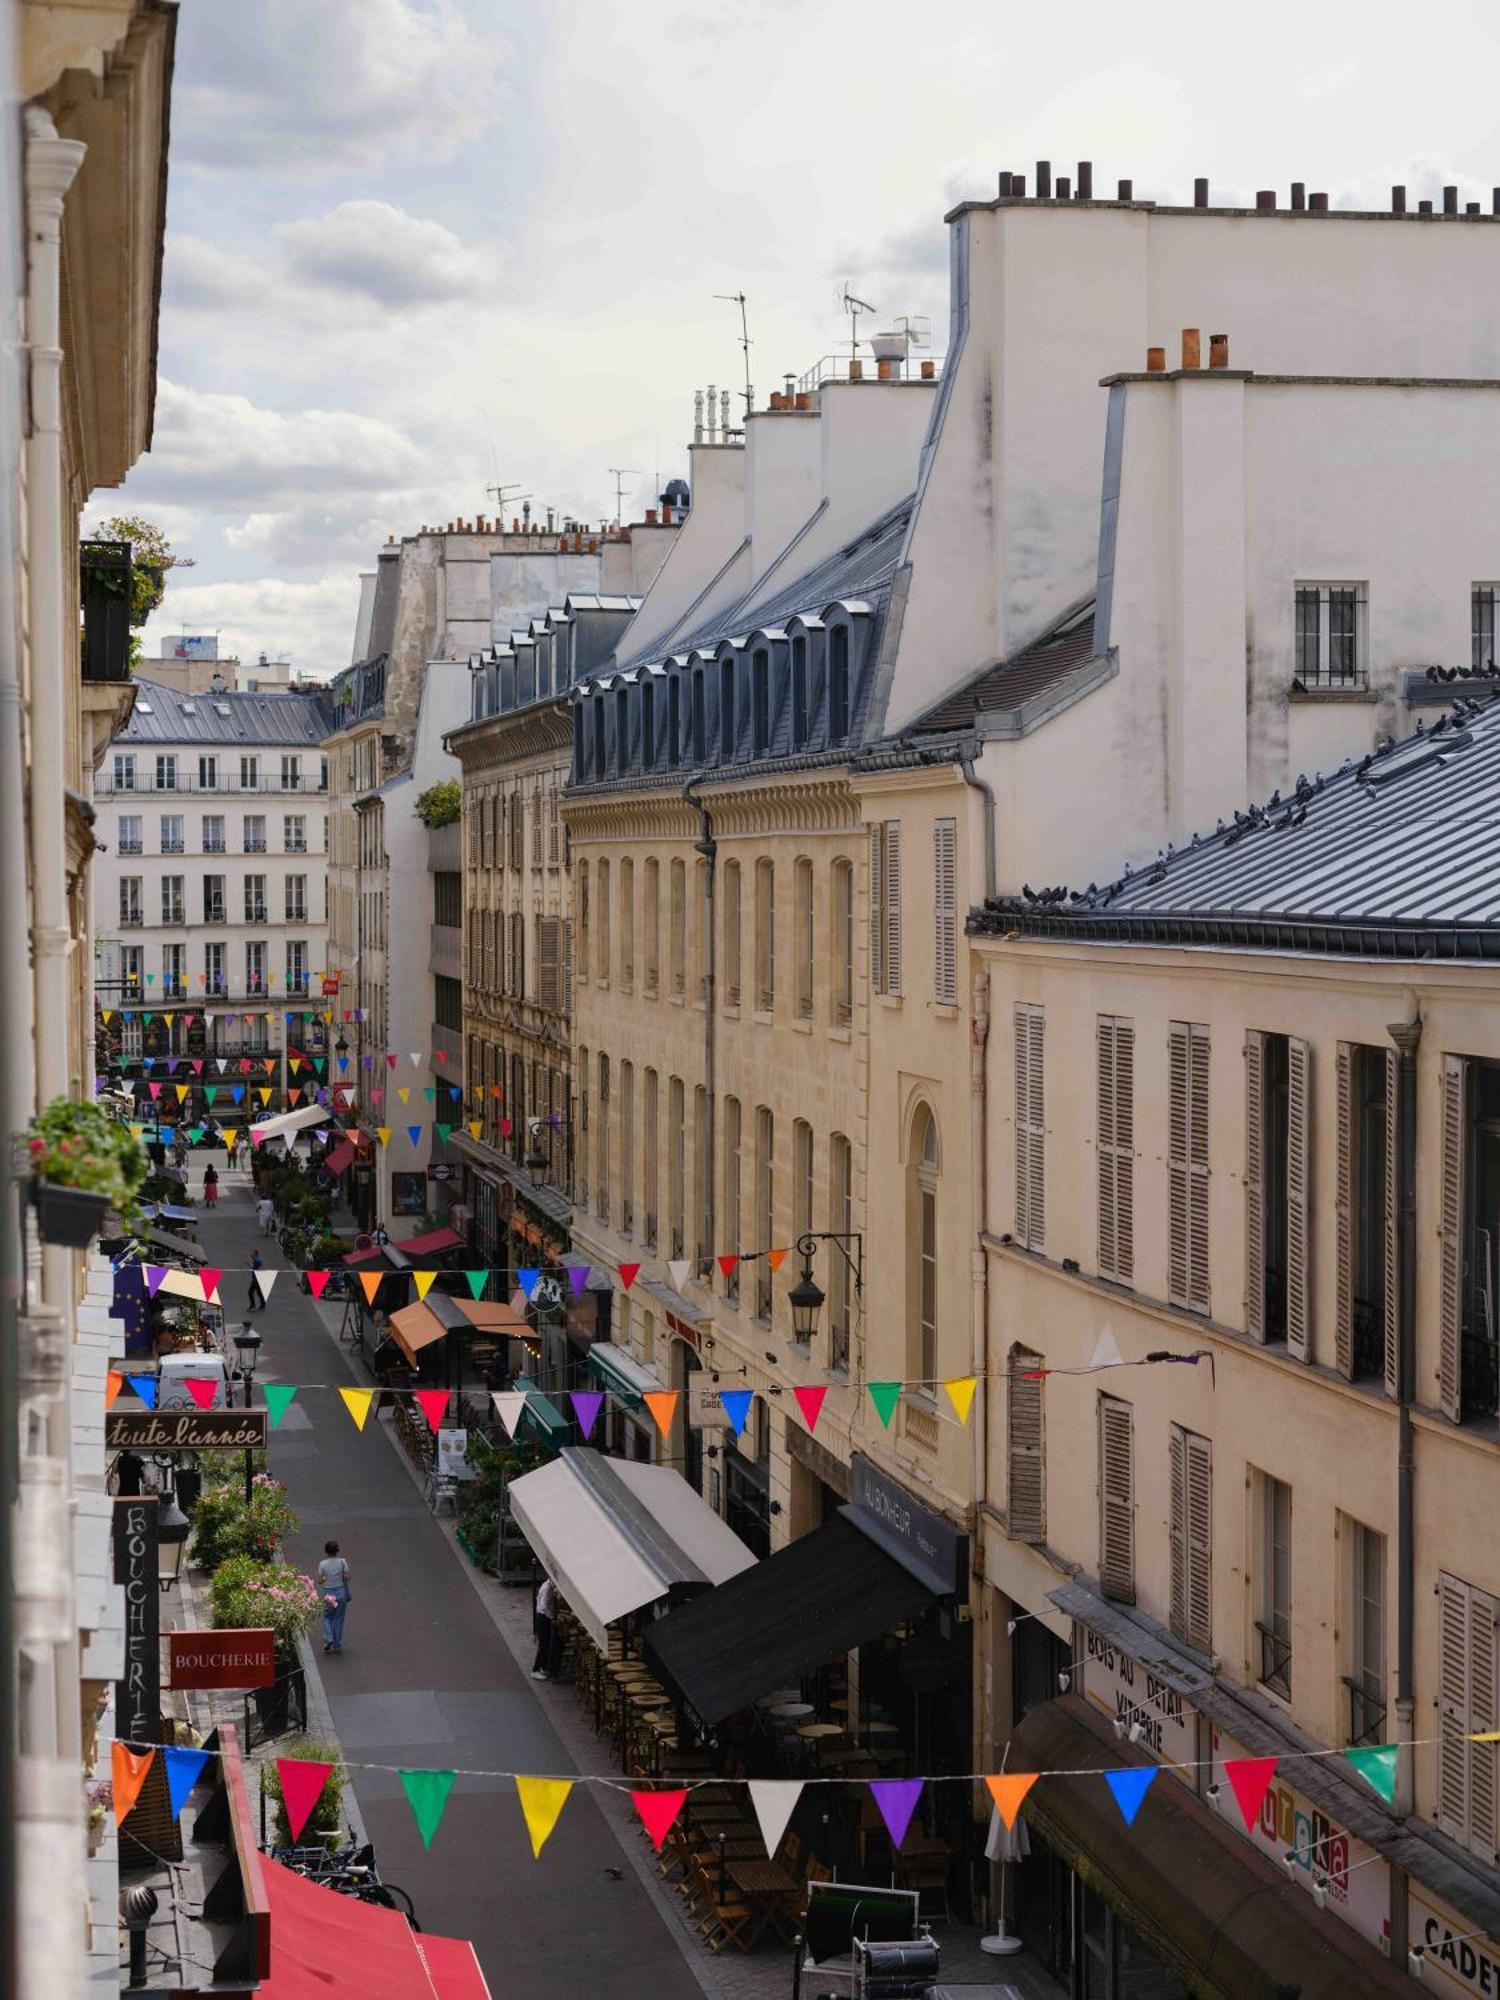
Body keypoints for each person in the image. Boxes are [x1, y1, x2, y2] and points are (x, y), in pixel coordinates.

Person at [317, 1541, 351, 1654]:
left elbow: (320, 1581)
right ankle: (337, 1645)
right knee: (338, 1619)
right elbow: (348, 1577)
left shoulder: (322, 1564)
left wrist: (326, 1577)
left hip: (329, 1594)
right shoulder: (342, 1562)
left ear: (326, 1551)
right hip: (341, 1592)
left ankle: (329, 1638)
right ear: (337, 1551)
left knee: (327, 1617)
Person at [532, 1572, 558, 1680]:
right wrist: (552, 1618)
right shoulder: (547, 1588)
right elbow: (544, 1606)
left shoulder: (549, 1586)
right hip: (543, 1617)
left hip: (543, 1616)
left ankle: (542, 1666)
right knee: (543, 1644)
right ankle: (535, 1669)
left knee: (546, 1643)